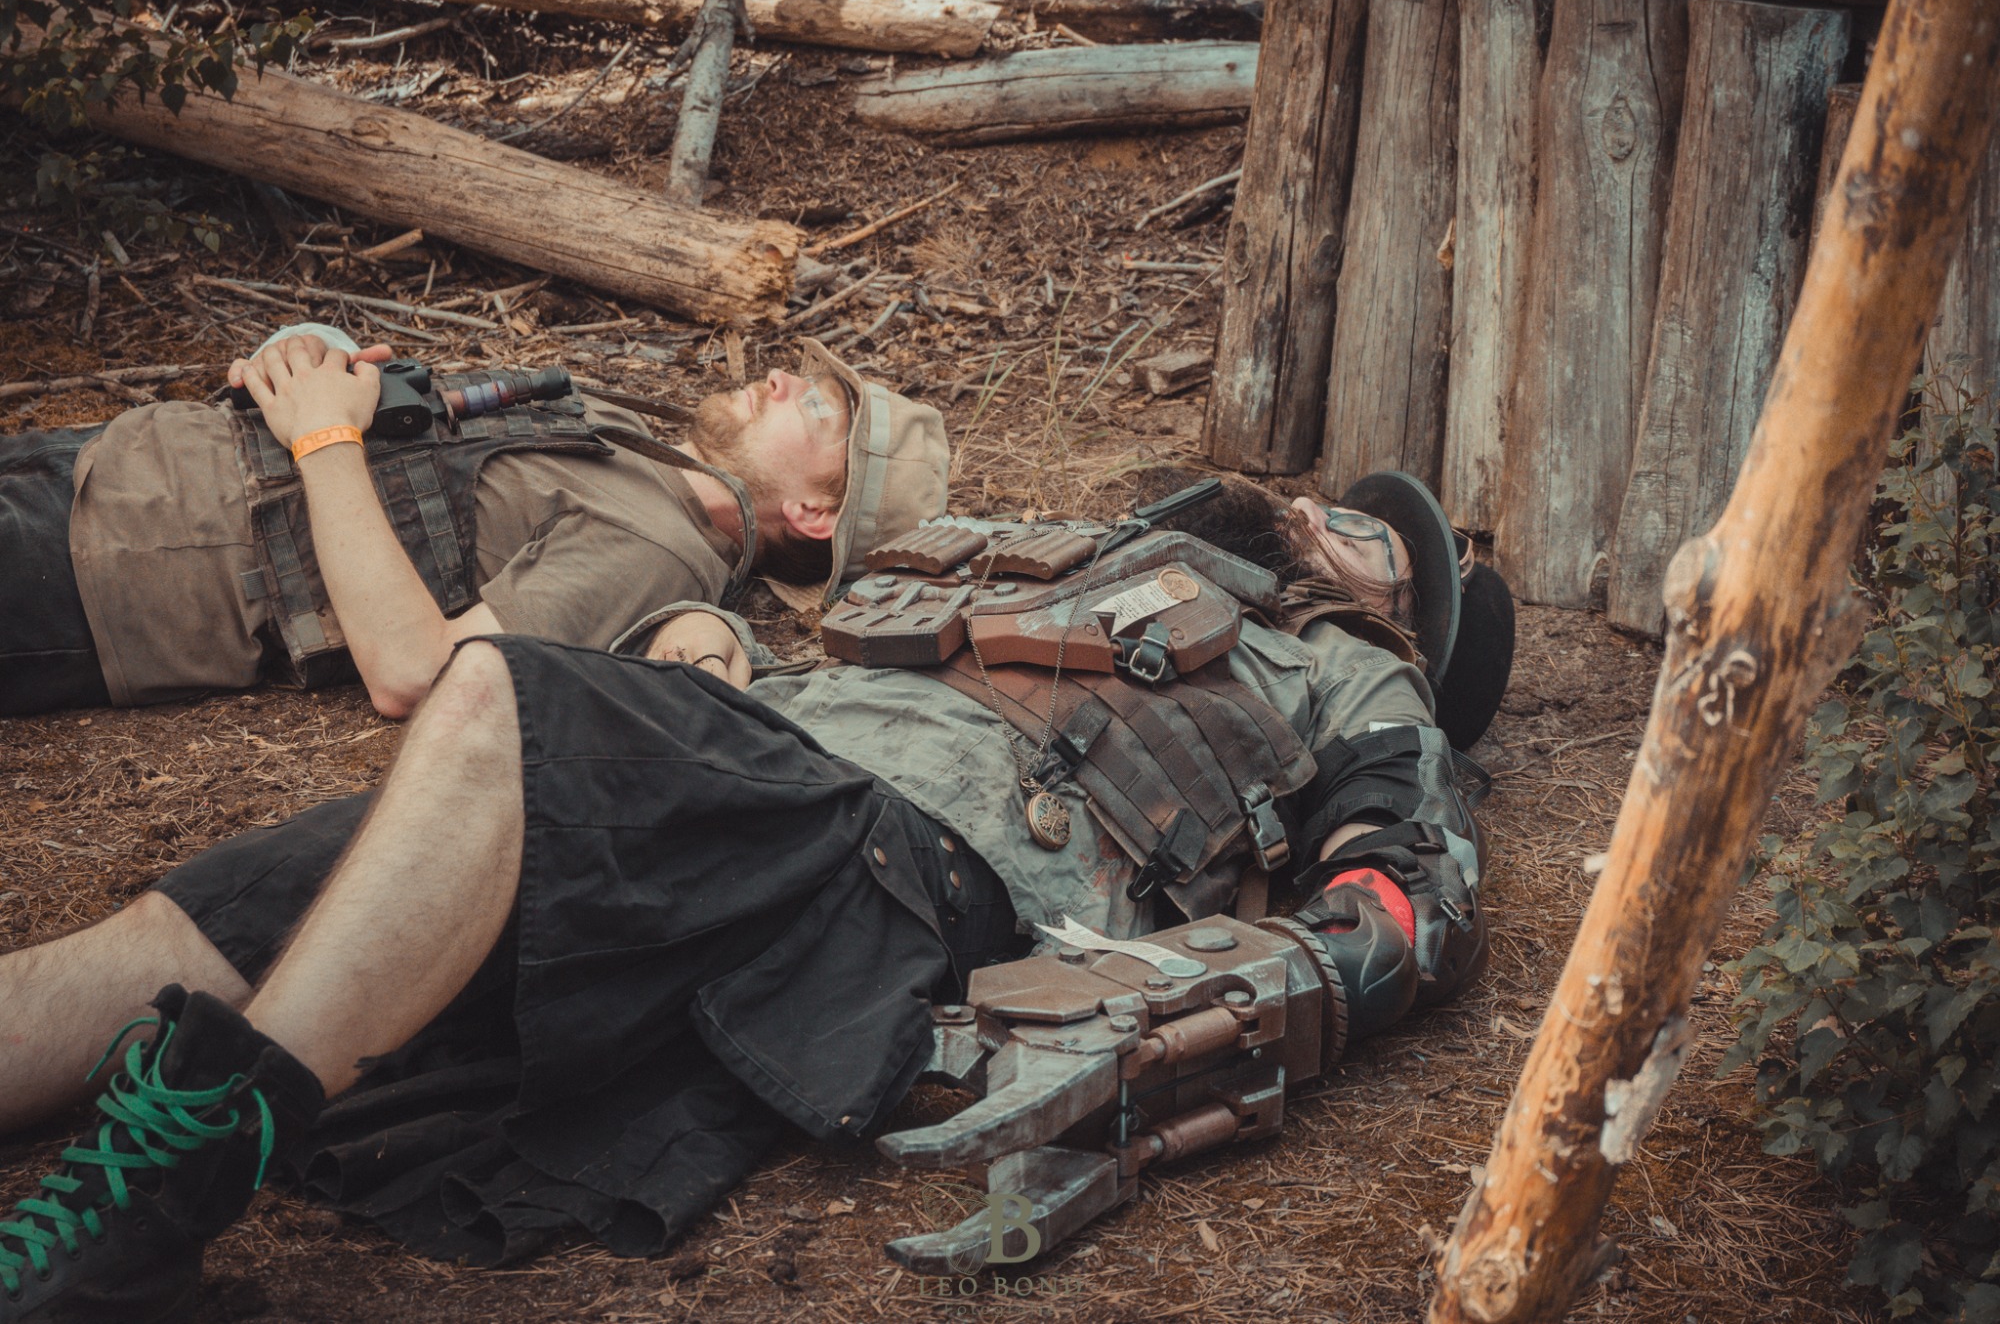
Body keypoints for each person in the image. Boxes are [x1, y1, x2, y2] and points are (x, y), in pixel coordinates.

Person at [0, 475, 1505, 1321]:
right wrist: (710, 644)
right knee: (195, 929)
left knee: (493, 695)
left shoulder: (1345, 670)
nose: (1308, 502)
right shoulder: (1059, 558)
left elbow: (1405, 900)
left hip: (896, 867)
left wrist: (1186, 1009)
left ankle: (158, 1202)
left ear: (1402, 617)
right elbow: (831, 657)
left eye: (1361, 534)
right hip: (733, 766)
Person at [0, 324, 949, 718]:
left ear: (813, 512)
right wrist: (315, 358)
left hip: (111, 565)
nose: (782, 378)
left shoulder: (658, 553)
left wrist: (324, 434)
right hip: (112, 459)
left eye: (816, 408)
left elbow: (416, 671)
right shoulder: (627, 441)